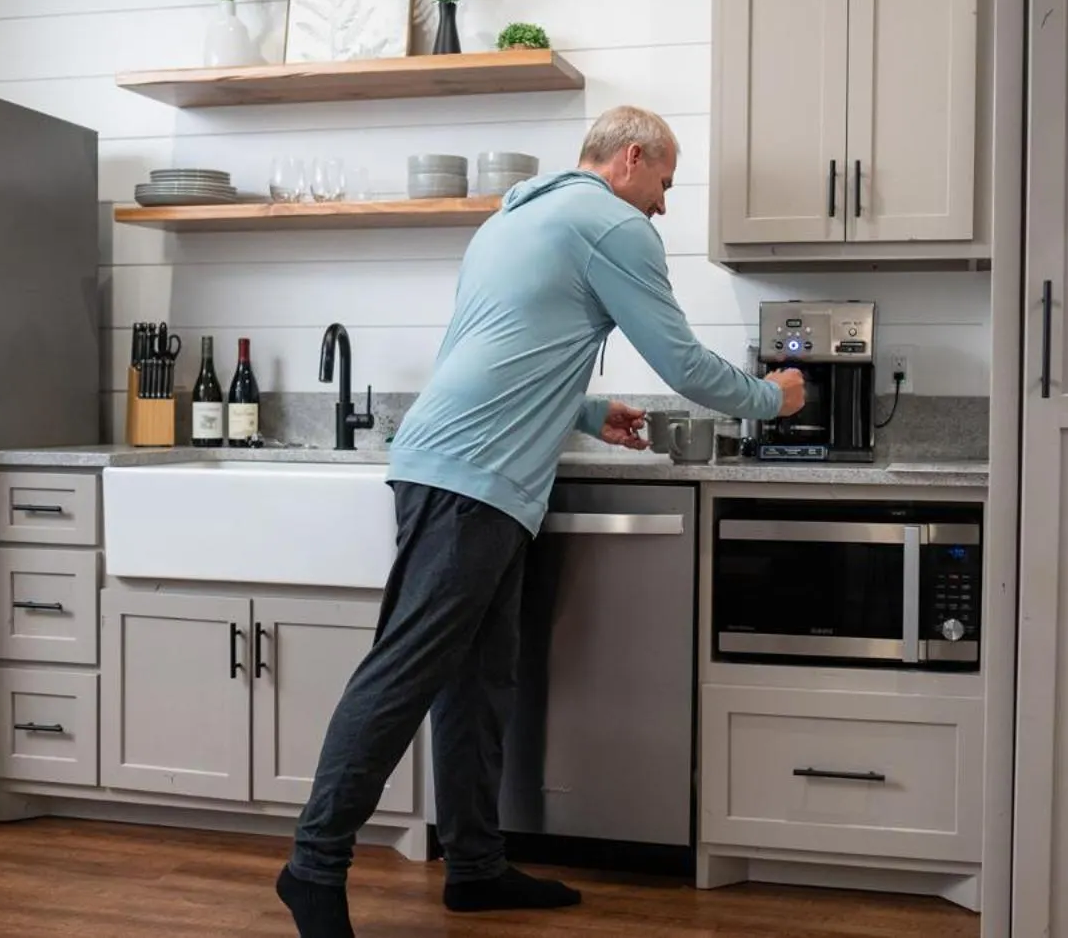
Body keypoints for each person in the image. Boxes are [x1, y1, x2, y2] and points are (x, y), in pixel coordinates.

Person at [275, 106, 805, 937]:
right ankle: (313, 865)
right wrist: (776, 397)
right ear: (632, 159)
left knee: (480, 681)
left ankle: (476, 866)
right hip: (469, 483)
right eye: (665, 183)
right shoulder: (614, 225)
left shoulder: (515, 216)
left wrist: (589, 410)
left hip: (468, 477)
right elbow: (686, 364)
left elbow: (498, 351)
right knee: (404, 672)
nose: (663, 204)